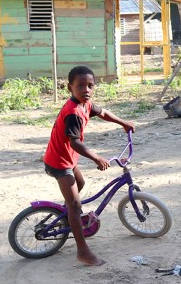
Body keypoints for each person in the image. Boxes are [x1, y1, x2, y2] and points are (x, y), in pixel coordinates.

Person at [43, 66, 135, 266]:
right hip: (59, 162)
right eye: (80, 86)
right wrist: (97, 158)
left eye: (90, 86)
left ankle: (68, 217)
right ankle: (82, 251)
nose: (86, 89)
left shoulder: (85, 104)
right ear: (70, 88)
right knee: (75, 205)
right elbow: (75, 142)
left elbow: (103, 113)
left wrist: (123, 123)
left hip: (67, 158)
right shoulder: (74, 112)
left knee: (80, 184)